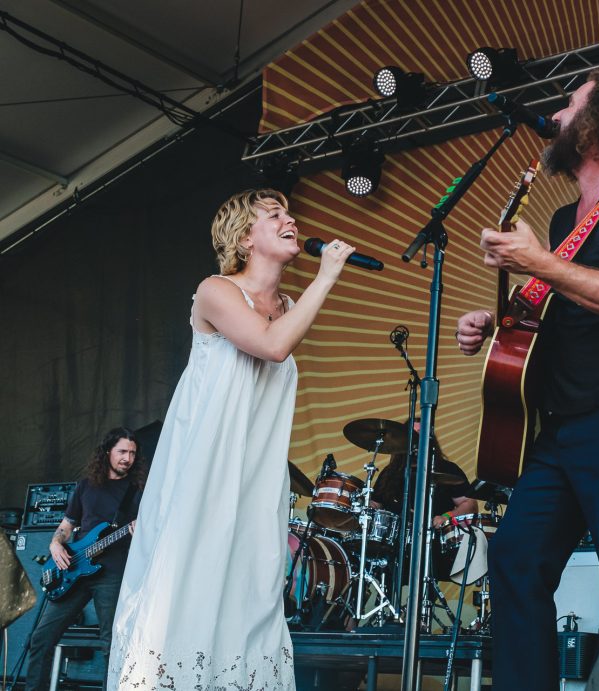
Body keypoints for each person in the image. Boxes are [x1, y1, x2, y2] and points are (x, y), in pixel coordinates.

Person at [455, 69, 599, 690]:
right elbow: (563, 311)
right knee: (515, 558)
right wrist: (501, 323)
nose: (558, 113)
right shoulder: (564, 219)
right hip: (562, 422)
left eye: (572, 102)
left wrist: (536, 260)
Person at [107, 189, 354, 690]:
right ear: (245, 238)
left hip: (255, 480)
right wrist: (326, 274)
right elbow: (272, 345)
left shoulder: (286, 303)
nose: (292, 221)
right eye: (275, 216)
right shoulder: (215, 291)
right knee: (188, 586)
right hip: (203, 473)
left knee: (250, 595)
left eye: (289, 213)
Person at [25, 427, 147, 691]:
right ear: (107, 452)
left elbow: (152, 530)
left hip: (112, 573)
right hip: (75, 568)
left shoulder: (138, 490)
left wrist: (143, 528)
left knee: (110, 645)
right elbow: (67, 525)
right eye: (122, 451)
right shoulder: (85, 486)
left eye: (133, 453)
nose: (128, 458)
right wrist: (56, 543)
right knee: (41, 638)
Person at [371, 421, 477, 579]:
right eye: (412, 433)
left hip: (432, 543)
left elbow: (470, 504)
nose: (416, 437)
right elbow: (375, 503)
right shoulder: (390, 473)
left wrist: (447, 517)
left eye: (421, 432)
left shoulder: (447, 469)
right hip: (394, 545)